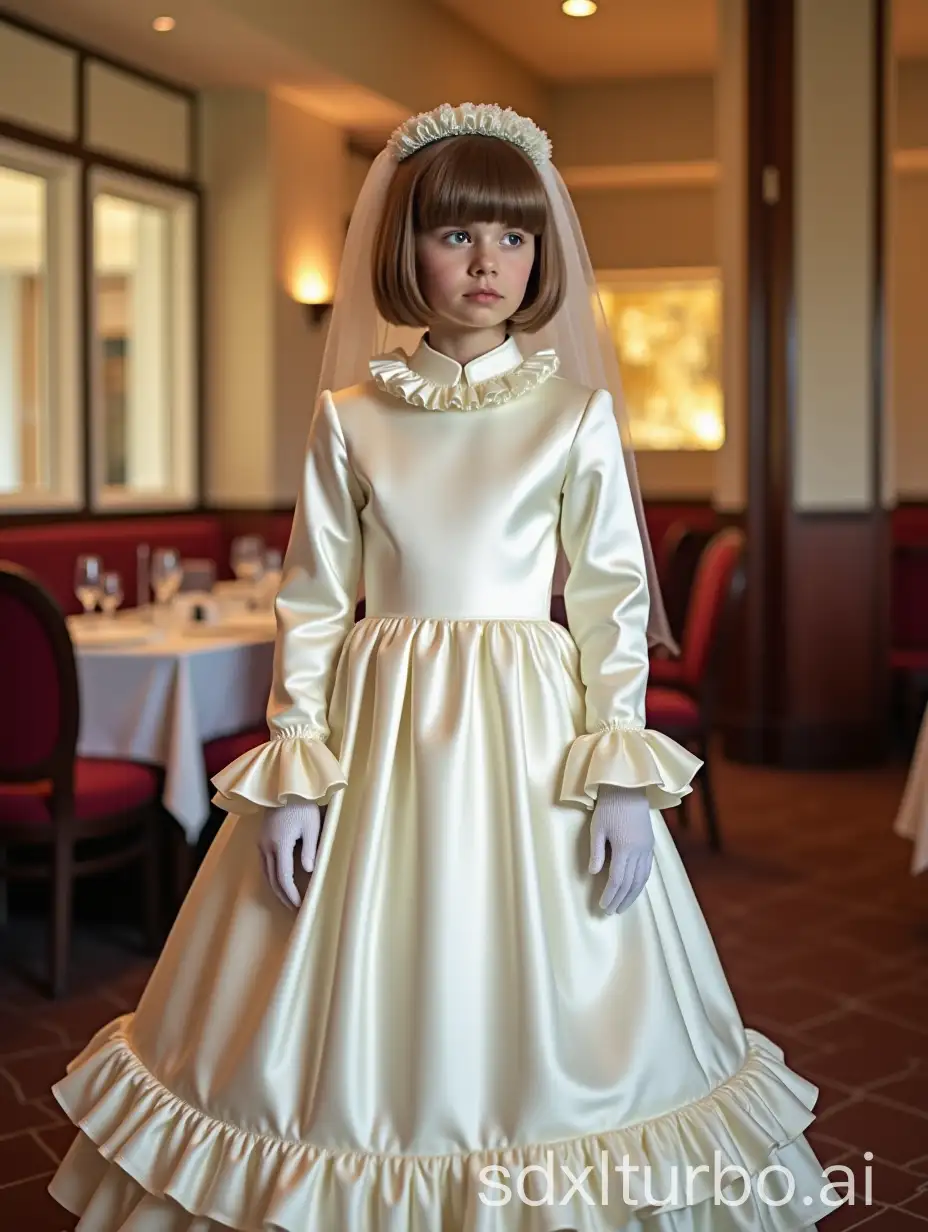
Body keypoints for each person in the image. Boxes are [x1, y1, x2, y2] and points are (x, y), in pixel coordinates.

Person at [49, 103, 838, 1230]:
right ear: (405, 247)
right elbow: (314, 601)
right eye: (458, 235)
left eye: (512, 239)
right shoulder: (351, 415)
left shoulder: (575, 415)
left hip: (529, 728)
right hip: (380, 729)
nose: (487, 263)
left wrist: (619, 773)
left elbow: (612, 600)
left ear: (540, 254)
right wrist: (295, 771)